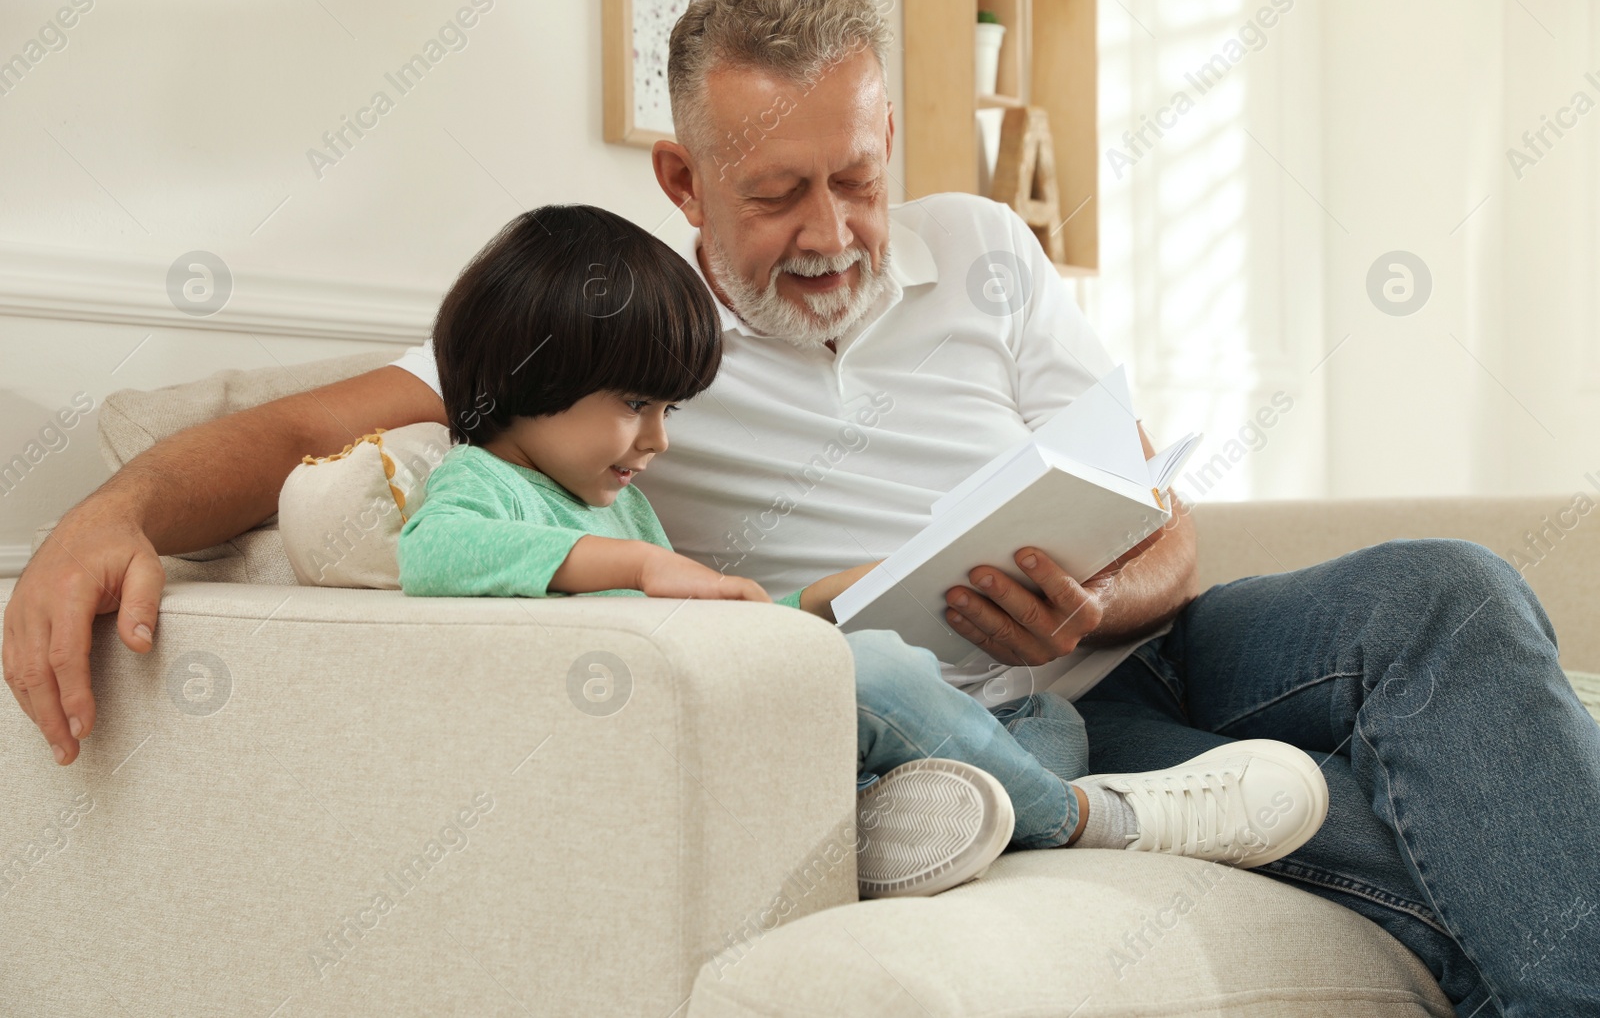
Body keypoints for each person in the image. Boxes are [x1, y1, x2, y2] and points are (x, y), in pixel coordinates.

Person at [6, 0, 1597, 1012]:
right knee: (1438, 840)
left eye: (861, 172)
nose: (834, 228)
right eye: (778, 193)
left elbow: (1161, 516)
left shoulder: (987, 252)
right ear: (685, 179)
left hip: (1138, 643)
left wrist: (1109, 589)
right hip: (984, 714)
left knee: (1448, 588)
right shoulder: (606, 338)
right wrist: (112, 511)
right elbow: (309, 433)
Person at [389, 200, 1329, 897]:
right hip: (671, 741)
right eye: (636, 405)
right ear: (529, 375)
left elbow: (715, 617)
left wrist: (815, 600)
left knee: (1046, 722)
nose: (659, 440)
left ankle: (898, 829)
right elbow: (436, 552)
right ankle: (1098, 821)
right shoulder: (485, 481)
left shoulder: (615, 503)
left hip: (761, 718)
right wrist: (637, 568)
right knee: (874, 670)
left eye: (668, 409)